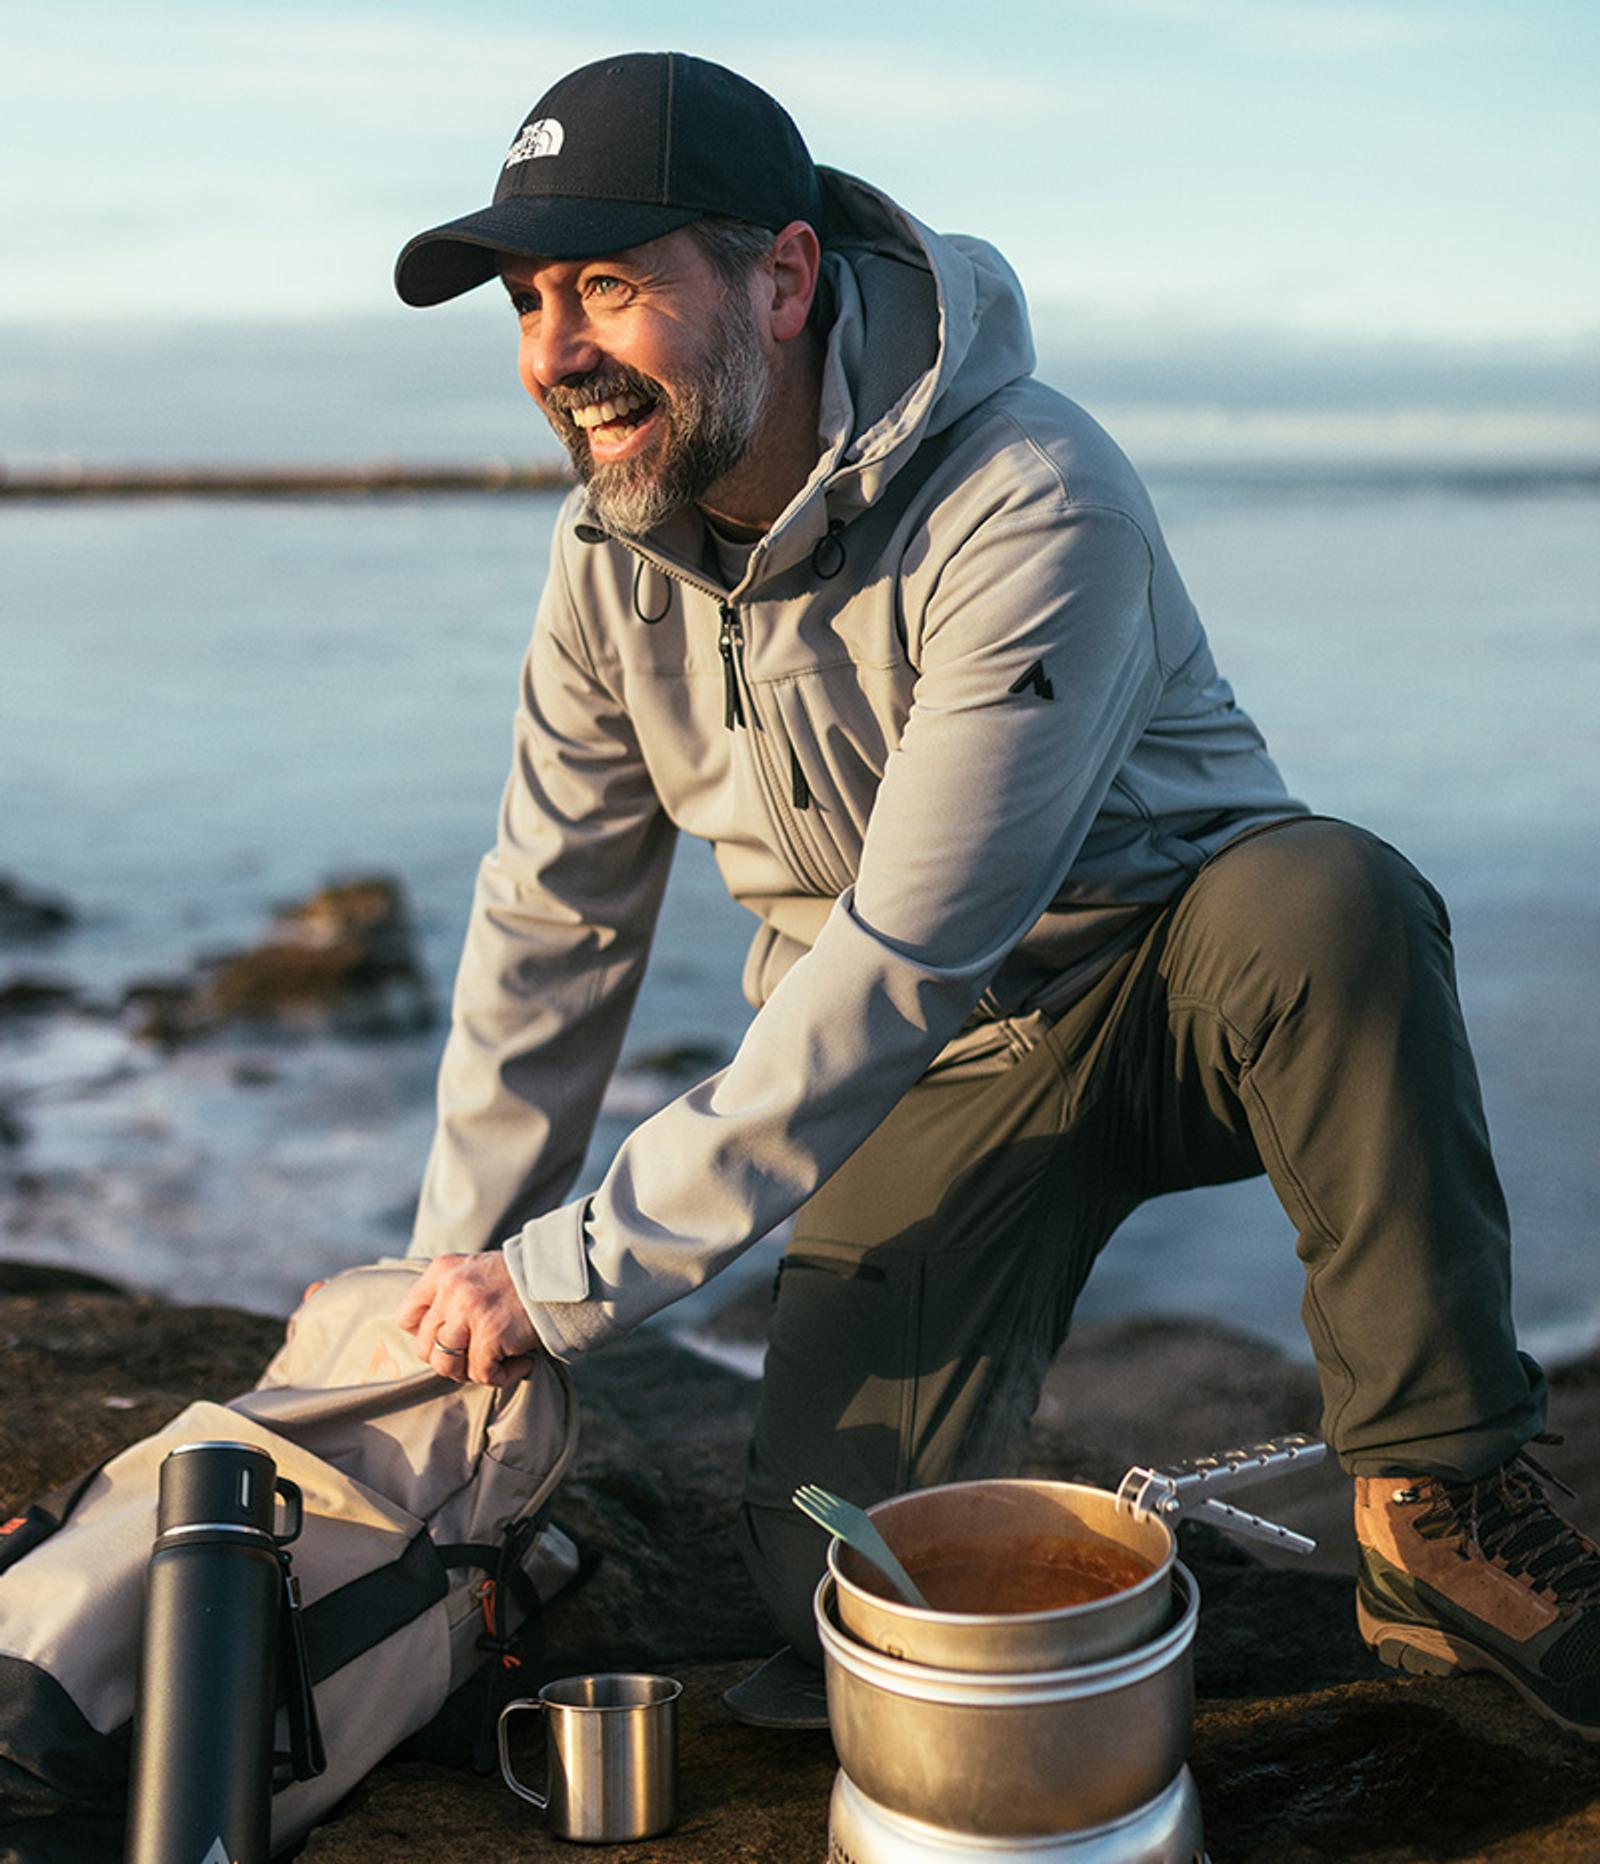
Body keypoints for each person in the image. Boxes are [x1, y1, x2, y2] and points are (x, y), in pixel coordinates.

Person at [390, 51, 1600, 1736]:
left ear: (786, 276)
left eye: (609, 285)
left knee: (1337, 900)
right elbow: (554, 922)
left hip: (1183, 989)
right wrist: (459, 1289)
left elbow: (902, 953)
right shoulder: (612, 559)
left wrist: (578, 1273)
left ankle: (1439, 1498)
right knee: (825, 1577)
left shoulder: (1032, 489)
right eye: (529, 302)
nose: (558, 353)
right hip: (939, 1072)